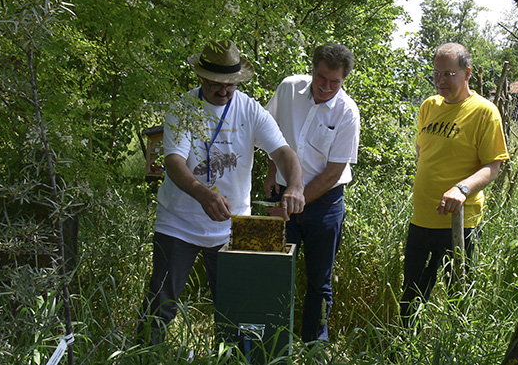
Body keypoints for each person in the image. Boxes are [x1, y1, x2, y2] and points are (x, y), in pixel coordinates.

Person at [137, 40, 306, 345]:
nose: (225, 91)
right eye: (217, 84)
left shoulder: (250, 110)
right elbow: (174, 162)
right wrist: (204, 195)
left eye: (231, 84)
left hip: (231, 226)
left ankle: (233, 356)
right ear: (201, 77)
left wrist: (295, 185)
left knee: (236, 309)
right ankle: (146, 353)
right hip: (178, 223)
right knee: (160, 305)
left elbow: (283, 152)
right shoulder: (183, 108)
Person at [399, 42, 509, 327]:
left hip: (459, 223)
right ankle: (404, 350)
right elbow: (425, 153)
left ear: (467, 73)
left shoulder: (484, 112)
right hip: (421, 218)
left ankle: (453, 350)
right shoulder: (428, 107)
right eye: (436, 74)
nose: (440, 81)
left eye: (448, 74)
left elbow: (492, 167)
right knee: (411, 295)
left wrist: (461, 189)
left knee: (458, 297)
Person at [264, 43, 360, 346]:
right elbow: (271, 134)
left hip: (326, 205)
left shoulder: (347, 111)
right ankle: (272, 343)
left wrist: (295, 199)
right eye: (322, 78)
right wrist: (271, 175)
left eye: (335, 82)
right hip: (281, 197)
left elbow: (333, 172)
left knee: (319, 283)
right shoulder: (289, 88)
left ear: (344, 80)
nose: (326, 86)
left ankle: (313, 348)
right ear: (313, 69)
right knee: (274, 275)